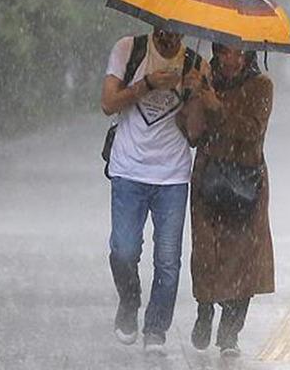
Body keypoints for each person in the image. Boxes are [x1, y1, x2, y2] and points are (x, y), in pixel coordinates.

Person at [100, 27, 207, 355]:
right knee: (124, 250)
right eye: (165, 31)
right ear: (155, 24)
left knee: (167, 259)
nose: (171, 39)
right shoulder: (128, 49)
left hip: (172, 175)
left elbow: (196, 134)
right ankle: (129, 301)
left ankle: (156, 329)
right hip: (128, 170)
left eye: (178, 33)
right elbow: (108, 103)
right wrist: (147, 84)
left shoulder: (196, 63)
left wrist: (196, 93)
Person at [179, 42, 275, 357]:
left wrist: (215, 103)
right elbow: (191, 133)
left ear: (248, 55)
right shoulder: (204, 77)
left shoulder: (261, 86)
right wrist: (193, 96)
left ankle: (230, 333)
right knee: (206, 250)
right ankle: (205, 309)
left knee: (244, 259)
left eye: (237, 52)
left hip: (246, 180)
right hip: (209, 176)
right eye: (223, 51)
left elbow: (250, 129)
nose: (229, 59)